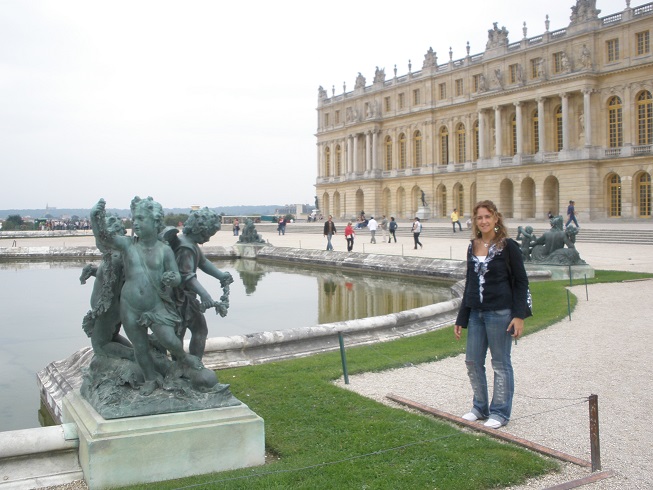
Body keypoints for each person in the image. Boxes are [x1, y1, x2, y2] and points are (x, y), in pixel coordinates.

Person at [91, 197, 203, 395]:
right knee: (140, 347)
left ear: (155, 221)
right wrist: (95, 217)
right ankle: (150, 379)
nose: (135, 223)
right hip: (130, 306)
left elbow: (177, 276)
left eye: (141, 219)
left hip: (155, 306)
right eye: (134, 218)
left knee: (170, 339)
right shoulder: (128, 245)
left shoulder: (165, 250)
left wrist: (172, 278)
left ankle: (183, 359)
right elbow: (104, 238)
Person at [454, 200, 530, 429]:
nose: (484, 221)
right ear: (475, 221)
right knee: (472, 361)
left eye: (487, 216)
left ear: (496, 218)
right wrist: (462, 317)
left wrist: (519, 315)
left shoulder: (508, 246)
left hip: (500, 312)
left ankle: (500, 412)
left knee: (500, 362)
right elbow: (469, 284)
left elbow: (521, 282)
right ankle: (480, 407)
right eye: (479, 217)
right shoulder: (472, 246)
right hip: (477, 312)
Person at [164, 208, 234, 360]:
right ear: (197, 229)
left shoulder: (189, 243)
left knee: (193, 331)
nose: (207, 239)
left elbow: (203, 262)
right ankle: (187, 366)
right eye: (206, 235)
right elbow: (186, 276)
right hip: (180, 298)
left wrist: (220, 275)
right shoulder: (185, 247)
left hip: (185, 297)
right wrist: (205, 295)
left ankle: (190, 366)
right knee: (190, 331)